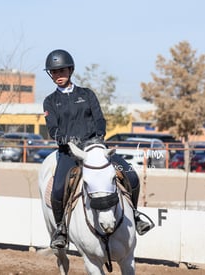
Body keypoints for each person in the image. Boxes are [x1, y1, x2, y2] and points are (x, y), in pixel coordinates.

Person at [43, 49, 153, 249]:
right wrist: (67, 140)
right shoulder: (50, 101)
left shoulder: (87, 94)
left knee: (131, 175)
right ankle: (61, 229)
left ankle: (135, 215)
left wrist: (99, 135)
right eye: (54, 72)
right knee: (58, 190)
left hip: (96, 148)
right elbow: (53, 129)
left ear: (70, 70)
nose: (58, 75)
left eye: (62, 71)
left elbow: (99, 119)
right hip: (69, 153)